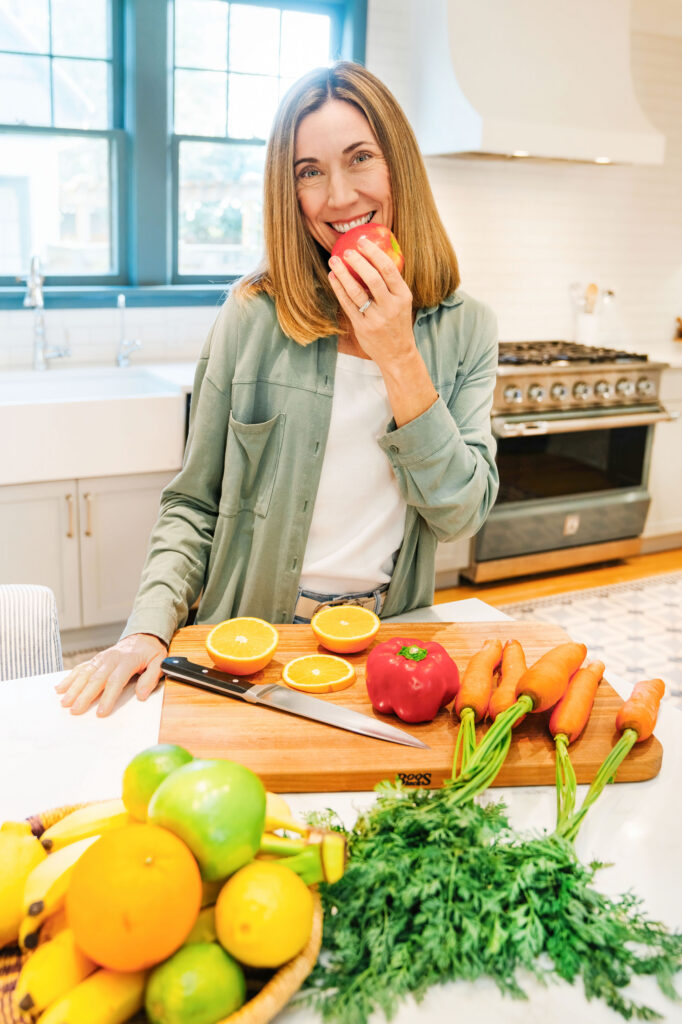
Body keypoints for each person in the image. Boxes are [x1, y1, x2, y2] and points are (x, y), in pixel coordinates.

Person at [57, 60, 499, 717]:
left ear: (398, 166)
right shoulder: (252, 317)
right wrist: (147, 627)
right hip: (249, 645)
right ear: (288, 193)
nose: (340, 196)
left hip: (391, 647)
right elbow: (193, 503)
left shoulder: (466, 329)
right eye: (309, 171)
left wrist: (399, 356)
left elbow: (461, 515)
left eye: (360, 159)